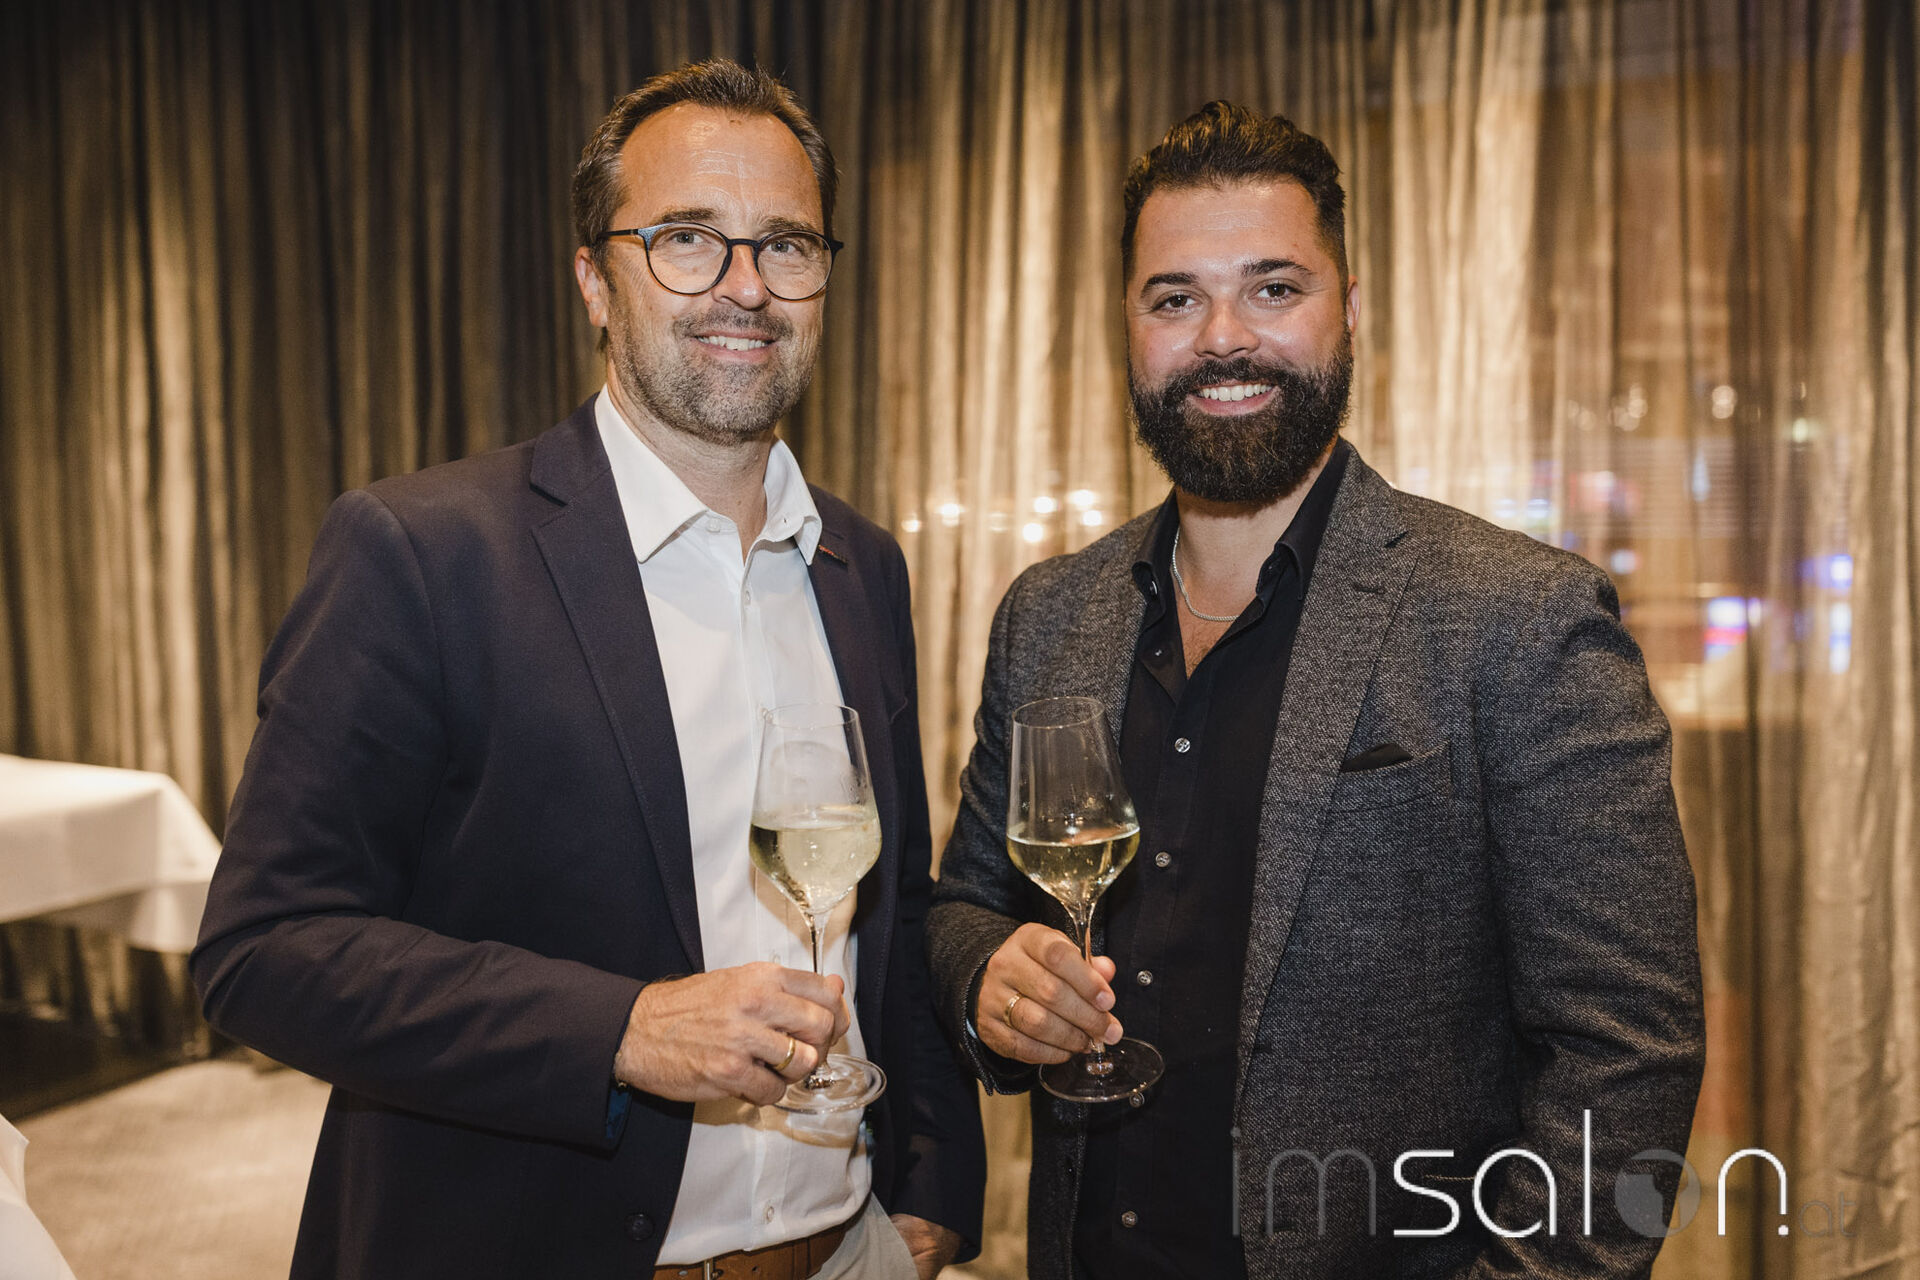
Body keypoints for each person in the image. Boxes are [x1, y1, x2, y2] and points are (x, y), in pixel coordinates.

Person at [193, 59, 983, 1280]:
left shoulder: (861, 563)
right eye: (686, 239)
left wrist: (931, 1191)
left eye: (785, 244)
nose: (745, 286)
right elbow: (265, 949)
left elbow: (900, 906)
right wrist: (620, 1027)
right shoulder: (423, 552)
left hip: (848, 1250)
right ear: (595, 282)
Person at [926, 101, 1705, 1279]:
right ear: (1127, 329)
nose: (1222, 338)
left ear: (1352, 311)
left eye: (1274, 288)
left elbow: (1629, 1055)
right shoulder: (1048, 613)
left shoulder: (1518, 618)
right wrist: (989, 975)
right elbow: (962, 904)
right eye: (1174, 298)